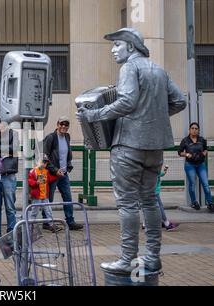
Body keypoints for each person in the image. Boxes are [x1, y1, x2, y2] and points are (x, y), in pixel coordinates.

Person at [76, 28, 187, 273]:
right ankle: (153, 257)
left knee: (127, 204)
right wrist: (153, 116)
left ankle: (127, 259)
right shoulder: (159, 69)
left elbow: (126, 102)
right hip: (154, 147)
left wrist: (93, 114)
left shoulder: (129, 68)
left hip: (128, 145)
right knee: (149, 201)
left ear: (131, 46)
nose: (113, 50)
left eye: (117, 45)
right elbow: (180, 101)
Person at [43, 116, 83, 231]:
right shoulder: (51, 137)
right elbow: (44, 156)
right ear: (57, 124)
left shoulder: (67, 137)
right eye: (61, 124)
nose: (64, 126)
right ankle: (47, 222)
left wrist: (68, 165)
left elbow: (66, 154)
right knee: (48, 198)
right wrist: (55, 170)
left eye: (66, 124)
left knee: (68, 197)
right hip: (52, 173)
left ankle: (70, 221)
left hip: (64, 174)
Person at [0, 120, 19, 247]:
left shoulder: (14, 134)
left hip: (9, 174)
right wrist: (5, 150)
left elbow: (14, 148)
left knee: (10, 207)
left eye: (2, 122)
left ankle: (11, 234)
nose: (0, 125)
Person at [178, 122, 213, 212]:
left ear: (198, 130)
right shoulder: (185, 140)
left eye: (196, 128)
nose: (194, 130)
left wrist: (204, 153)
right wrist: (186, 154)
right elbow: (179, 152)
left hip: (201, 164)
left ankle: (210, 203)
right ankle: (194, 202)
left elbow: (205, 149)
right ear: (189, 130)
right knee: (192, 184)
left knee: (205, 184)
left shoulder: (202, 140)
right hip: (190, 165)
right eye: (192, 128)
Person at [28, 155, 60, 232]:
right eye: (42, 162)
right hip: (37, 196)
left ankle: (51, 224)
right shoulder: (33, 171)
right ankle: (29, 225)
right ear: (37, 162)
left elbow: (50, 179)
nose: (44, 164)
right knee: (34, 211)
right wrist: (36, 182)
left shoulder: (46, 171)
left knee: (48, 211)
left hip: (44, 196)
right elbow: (30, 182)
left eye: (45, 163)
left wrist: (58, 176)